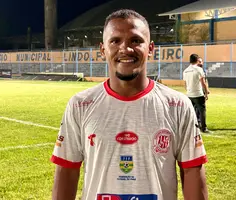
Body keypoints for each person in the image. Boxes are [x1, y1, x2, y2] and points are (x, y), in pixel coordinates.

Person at [50, 9, 208, 200]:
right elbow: (67, 171)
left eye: (135, 40)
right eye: (115, 41)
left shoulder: (177, 105)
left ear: (150, 48)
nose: (125, 48)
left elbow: (192, 172)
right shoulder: (80, 105)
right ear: (103, 50)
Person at [183, 54, 210, 133]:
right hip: (198, 94)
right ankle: (204, 128)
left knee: (191, 112)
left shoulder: (185, 70)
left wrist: (189, 91)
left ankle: (192, 127)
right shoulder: (199, 69)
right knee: (202, 111)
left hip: (189, 94)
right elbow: (203, 83)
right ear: (197, 60)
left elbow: (185, 84)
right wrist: (206, 93)